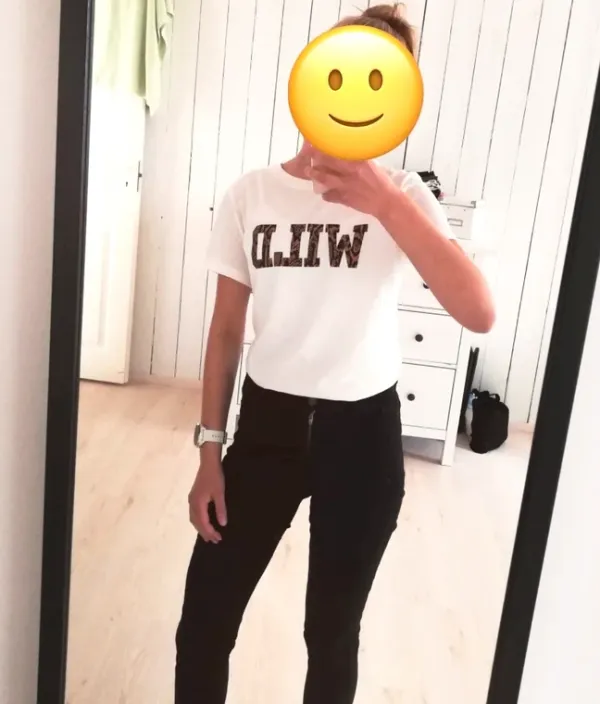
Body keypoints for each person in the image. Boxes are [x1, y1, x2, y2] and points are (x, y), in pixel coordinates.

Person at [175, 4, 495, 703]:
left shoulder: (404, 196)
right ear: (316, 71)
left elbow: (479, 311)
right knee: (203, 622)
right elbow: (226, 330)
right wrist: (209, 451)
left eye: (381, 77)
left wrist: (388, 206)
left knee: (330, 634)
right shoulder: (252, 194)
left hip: (363, 435)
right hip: (267, 428)